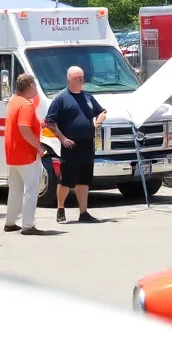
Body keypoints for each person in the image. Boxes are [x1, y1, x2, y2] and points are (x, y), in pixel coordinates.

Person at [45, 66, 107, 224]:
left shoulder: (88, 97)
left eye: (82, 77)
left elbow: (102, 111)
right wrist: (62, 138)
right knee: (67, 180)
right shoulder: (61, 98)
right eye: (78, 78)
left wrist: (100, 118)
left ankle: (84, 212)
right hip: (70, 145)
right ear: (69, 79)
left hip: (87, 144)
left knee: (84, 180)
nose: (82, 80)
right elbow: (50, 121)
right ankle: (60, 208)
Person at [3, 73, 45, 236]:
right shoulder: (26, 105)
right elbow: (24, 128)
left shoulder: (13, 101)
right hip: (26, 155)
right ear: (28, 87)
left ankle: (10, 222)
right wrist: (38, 147)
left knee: (15, 189)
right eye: (34, 85)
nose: (36, 88)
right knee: (31, 188)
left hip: (12, 154)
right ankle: (28, 225)